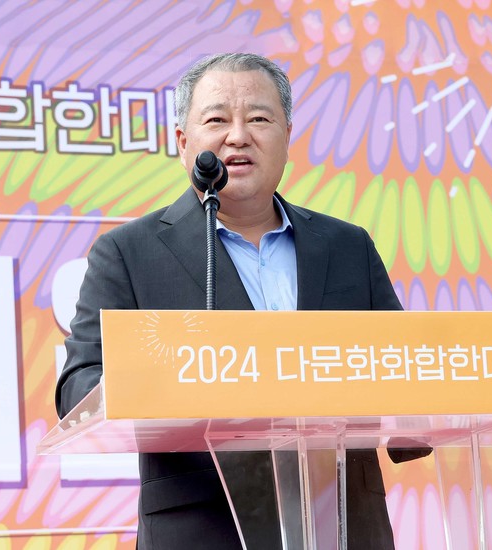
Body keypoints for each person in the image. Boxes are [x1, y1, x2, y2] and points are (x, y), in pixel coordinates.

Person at [55, 53, 402, 549]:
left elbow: (405, 369)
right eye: (217, 120)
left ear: (287, 137)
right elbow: (79, 388)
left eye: (259, 119)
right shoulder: (129, 253)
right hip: (203, 527)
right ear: (183, 143)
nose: (238, 137)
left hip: (344, 523)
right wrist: (174, 384)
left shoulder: (348, 246)